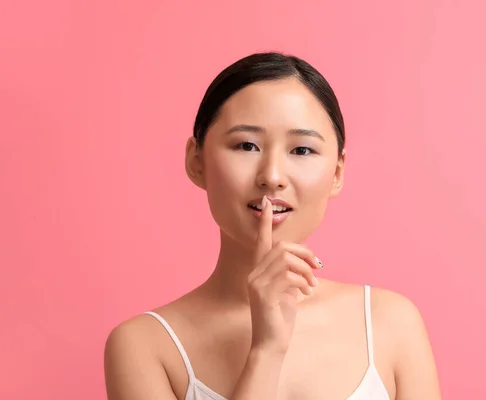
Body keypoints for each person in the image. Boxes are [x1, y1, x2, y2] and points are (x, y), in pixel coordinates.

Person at [104, 52, 441, 400]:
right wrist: (266, 350)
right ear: (196, 161)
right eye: (246, 145)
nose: (272, 177)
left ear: (337, 172)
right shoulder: (146, 345)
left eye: (302, 150)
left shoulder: (392, 323)